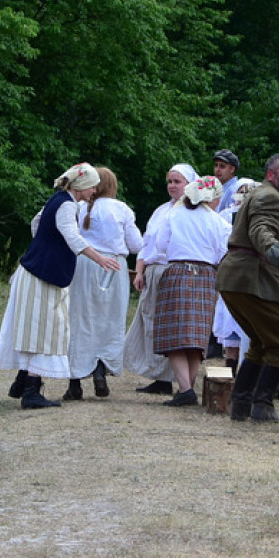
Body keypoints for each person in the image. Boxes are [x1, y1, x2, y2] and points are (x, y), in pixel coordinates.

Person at [0, 164, 122, 409]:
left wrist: (43, 244)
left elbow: (36, 222)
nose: (95, 190)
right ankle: (31, 390)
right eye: (92, 186)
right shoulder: (67, 204)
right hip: (41, 276)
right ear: (82, 186)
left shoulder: (59, 200)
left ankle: (22, 382)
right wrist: (100, 259)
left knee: (38, 329)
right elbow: (73, 237)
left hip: (39, 272)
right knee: (43, 330)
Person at [217, 153, 279, 423]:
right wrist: (274, 249)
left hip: (236, 277)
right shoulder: (269, 197)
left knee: (261, 343)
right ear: (271, 175)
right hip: (251, 276)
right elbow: (261, 229)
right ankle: (262, 406)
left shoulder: (261, 194)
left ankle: (241, 405)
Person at [64, 167, 143, 400]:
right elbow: (137, 245)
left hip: (84, 264)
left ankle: (75, 381)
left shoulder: (78, 207)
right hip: (114, 267)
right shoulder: (122, 209)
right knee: (110, 320)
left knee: (80, 320)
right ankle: (100, 369)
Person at [152, 176, 231, 406]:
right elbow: (223, 252)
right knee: (196, 335)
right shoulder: (218, 222)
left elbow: (159, 246)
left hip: (177, 271)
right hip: (206, 274)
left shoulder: (173, 215)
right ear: (213, 197)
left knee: (175, 334)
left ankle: (186, 389)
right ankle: (186, 388)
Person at [125, 164, 197, 395]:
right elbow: (147, 243)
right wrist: (139, 270)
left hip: (172, 270)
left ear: (189, 184)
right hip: (152, 270)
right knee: (150, 321)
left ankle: (172, 377)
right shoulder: (161, 211)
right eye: (170, 181)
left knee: (169, 325)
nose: (172, 186)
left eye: (178, 181)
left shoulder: (191, 212)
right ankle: (159, 377)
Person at [213, 178, 260, 374]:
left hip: (252, 274)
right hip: (232, 272)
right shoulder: (225, 216)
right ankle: (230, 369)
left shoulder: (259, 218)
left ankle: (246, 370)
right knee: (231, 321)